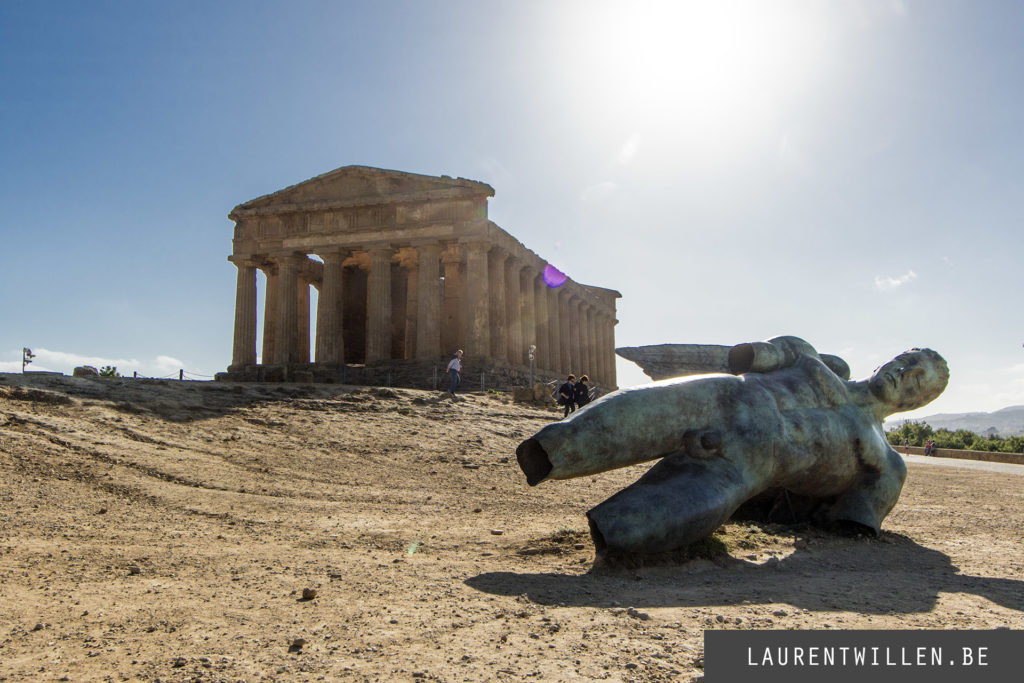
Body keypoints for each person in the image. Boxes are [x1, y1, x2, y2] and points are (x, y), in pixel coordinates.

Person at [516, 335, 949, 557]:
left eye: (918, 380)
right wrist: (777, 351)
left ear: (918, 402)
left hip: (743, 465)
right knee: (574, 437)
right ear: (891, 358)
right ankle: (546, 455)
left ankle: (609, 533)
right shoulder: (820, 361)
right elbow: (748, 356)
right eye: (907, 361)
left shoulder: (885, 461)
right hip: (719, 396)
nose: (904, 372)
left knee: (628, 528)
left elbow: (848, 522)